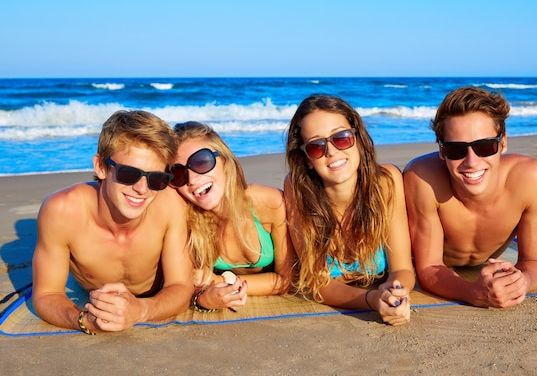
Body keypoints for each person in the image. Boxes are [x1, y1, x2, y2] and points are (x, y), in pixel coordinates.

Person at [32, 110, 193, 334]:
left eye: (156, 179)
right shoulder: (62, 212)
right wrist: (84, 321)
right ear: (101, 167)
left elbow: (180, 287)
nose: (142, 189)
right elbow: (46, 294)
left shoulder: (169, 206)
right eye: (129, 174)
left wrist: (141, 310)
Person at [403, 86, 537, 308]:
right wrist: (473, 292)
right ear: (442, 150)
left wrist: (522, 281)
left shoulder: (532, 180)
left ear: (503, 142)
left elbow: (535, 261)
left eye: (484, 146)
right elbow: (428, 268)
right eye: (456, 150)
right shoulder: (423, 178)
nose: (471, 161)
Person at [284, 94, 415, 326]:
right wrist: (372, 299)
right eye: (316, 146)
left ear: (358, 138)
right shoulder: (297, 190)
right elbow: (318, 283)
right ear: (305, 159)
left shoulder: (386, 183)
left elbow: (402, 268)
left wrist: (397, 292)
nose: (332, 151)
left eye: (341, 138)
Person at [171, 121, 295, 311]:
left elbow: (286, 280)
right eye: (178, 174)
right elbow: (189, 282)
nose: (193, 179)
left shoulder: (267, 203)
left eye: (201, 162)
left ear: (225, 160)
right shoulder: (189, 223)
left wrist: (220, 280)